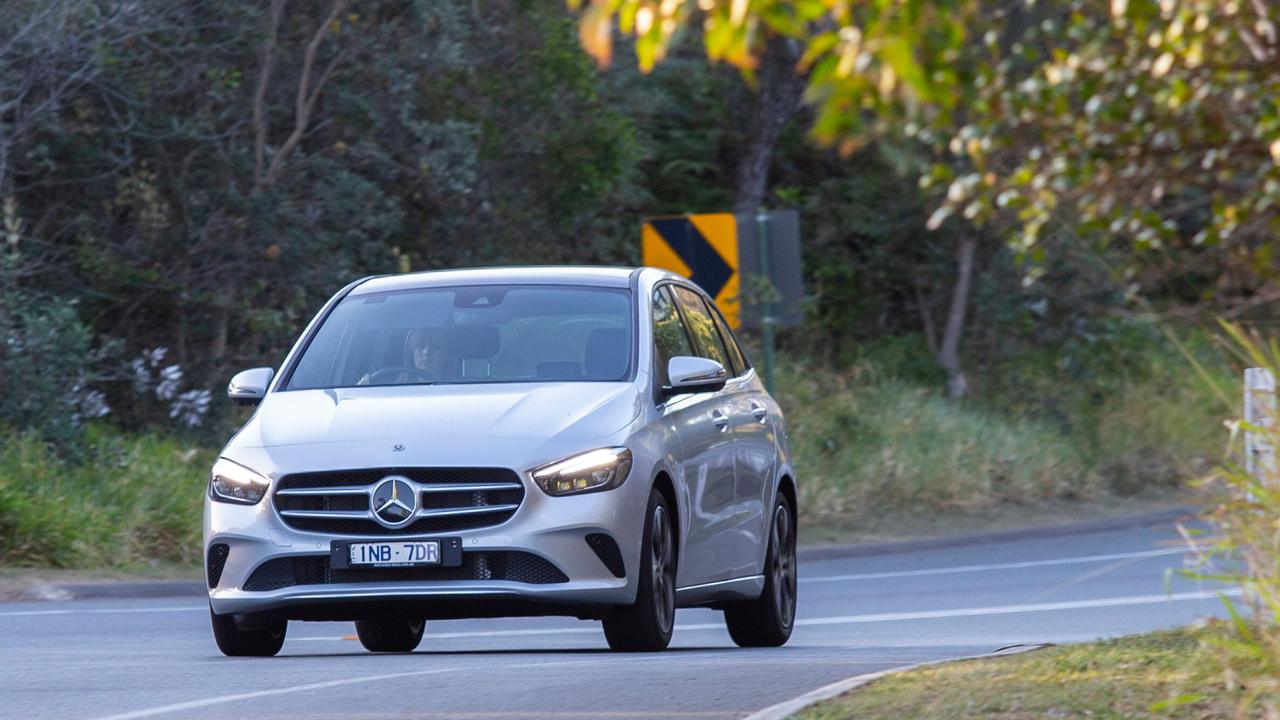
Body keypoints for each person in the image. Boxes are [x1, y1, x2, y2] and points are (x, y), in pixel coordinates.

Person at [357, 327, 456, 385]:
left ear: (449, 356)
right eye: (420, 346)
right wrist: (361, 388)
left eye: (436, 347)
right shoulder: (389, 391)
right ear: (411, 352)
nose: (426, 352)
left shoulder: (458, 393)